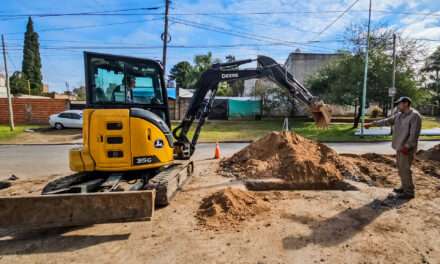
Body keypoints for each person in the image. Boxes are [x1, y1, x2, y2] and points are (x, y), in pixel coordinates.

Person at [365, 96, 422, 199]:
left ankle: (409, 193)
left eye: (399, 104)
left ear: (406, 104)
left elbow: (414, 135)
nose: (398, 106)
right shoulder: (399, 115)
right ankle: (404, 186)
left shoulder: (415, 116)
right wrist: (372, 124)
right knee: (401, 169)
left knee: (405, 169)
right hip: (399, 146)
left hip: (406, 148)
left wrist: (407, 147)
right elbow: (387, 121)